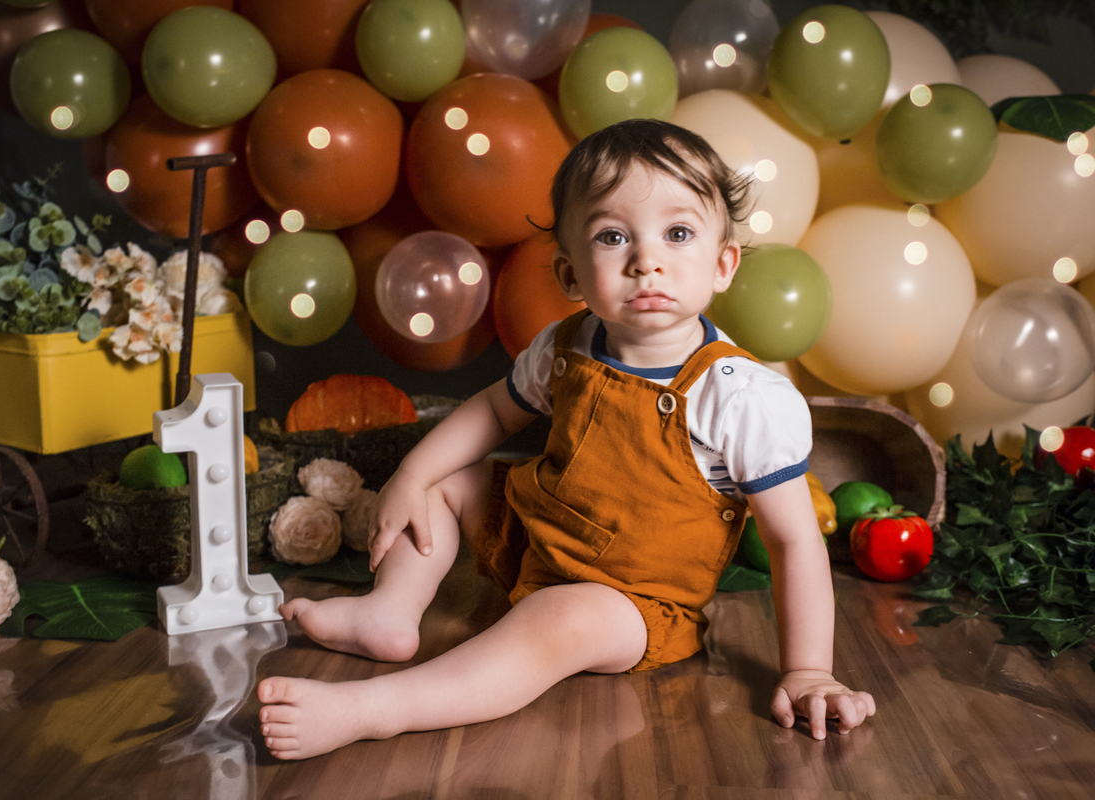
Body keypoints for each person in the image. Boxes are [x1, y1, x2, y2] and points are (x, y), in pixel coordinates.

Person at [256, 119, 876, 760]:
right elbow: (495, 415)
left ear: (723, 264)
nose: (646, 259)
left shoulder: (738, 396)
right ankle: (390, 610)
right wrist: (412, 476)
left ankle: (376, 709)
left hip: (634, 603)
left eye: (679, 233)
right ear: (573, 276)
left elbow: (792, 538)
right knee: (446, 482)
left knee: (559, 621)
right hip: (538, 534)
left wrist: (808, 669)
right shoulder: (566, 345)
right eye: (612, 237)